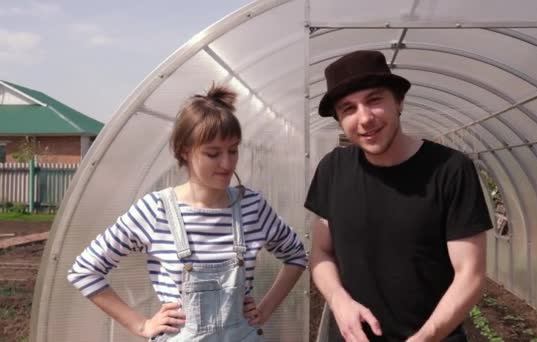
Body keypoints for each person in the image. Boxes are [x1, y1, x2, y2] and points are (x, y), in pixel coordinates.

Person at [68, 84, 307, 341]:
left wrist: (265, 309)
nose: (227, 163)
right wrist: (141, 325)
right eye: (213, 154)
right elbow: (84, 270)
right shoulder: (156, 211)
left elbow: (296, 255)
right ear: (184, 151)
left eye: (233, 150)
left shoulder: (252, 207)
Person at [306, 50, 492, 342]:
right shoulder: (333, 169)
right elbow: (322, 251)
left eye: (374, 100)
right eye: (348, 109)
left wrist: (424, 337)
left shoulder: (450, 170)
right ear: (340, 120)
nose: (364, 118)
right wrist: (340, 302)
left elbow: (470, 273)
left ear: (399, 102)